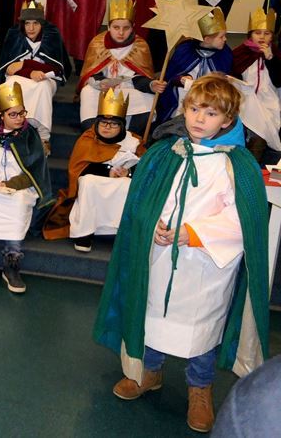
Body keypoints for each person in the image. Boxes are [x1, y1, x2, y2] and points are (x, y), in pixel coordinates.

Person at [94, 75, 269, 433]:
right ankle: (150, 372)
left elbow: (243, 223)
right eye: (193, 109)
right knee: (153, 315)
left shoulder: (237, 166)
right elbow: (143, 203)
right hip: (160, 258)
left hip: (205, 266)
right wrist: (152, 224)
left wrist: (192, 233)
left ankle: (200, 389)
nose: (199, 118)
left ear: (228, 120)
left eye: (210, 112)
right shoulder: (166, 153)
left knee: (199, 331)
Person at [0, 81, 53, 293]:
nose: (20, 118)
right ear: (0, 114)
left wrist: (11, 184)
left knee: (18, 202)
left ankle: (11, 263)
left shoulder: (30, 136)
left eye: (22, 113)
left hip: (21, 187)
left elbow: (34, 170)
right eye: (13, 114)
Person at [43, 89, 145, 252]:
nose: (107, 127)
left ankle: (119, 231)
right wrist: (107, 172)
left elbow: (145, 168)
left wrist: (129, 173)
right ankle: (85, 233)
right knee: (89, 182)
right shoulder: (88, 139)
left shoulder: (133, 141)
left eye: (113, 124)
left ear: (122, 126)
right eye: (103, 123)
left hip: (121, 180)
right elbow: (78, 169)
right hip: (93, 179)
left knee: (127, 185)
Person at [77, 0, 164, 136]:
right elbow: (90, 72)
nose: (121, 32)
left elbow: (142, 76)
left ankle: (129, 135)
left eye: (126, 28)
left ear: (133, 27)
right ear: (109, 26)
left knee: (149, 99)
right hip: (103, 88)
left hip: (129, 88)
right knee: (87, 92)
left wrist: (151, 84)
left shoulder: (140, 46)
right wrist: (100, 82)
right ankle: (94, 135)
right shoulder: (98, 43)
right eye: (116, 27)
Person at [0, 0, 71, 133]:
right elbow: (8, 69)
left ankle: (43, 134)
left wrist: (24, 64)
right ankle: (10, 128)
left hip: (45, 79)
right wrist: (30, 72)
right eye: (27, 23)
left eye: (36, 23)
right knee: (11, 85)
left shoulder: (52, 36)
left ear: (42, 24)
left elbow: (56, 68)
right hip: (19, 77)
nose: (31, 28)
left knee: (42, 86)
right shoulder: (14, 35)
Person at [156, 8, 233, 124]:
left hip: (211, 96)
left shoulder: (225, 53)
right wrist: (180, 79)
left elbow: (226, 78)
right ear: (206, 39)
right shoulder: (185, 50)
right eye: (221, 37)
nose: (225, 39)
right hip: (183, 93)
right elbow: (170, 76)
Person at [231, 7, 281, 162]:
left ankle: (254, 165)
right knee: (246, 132)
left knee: (263, 131)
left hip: (268, 101)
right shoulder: (240, 53)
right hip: (244, 101)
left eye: (267, 33)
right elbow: (231, 76)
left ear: (272, 37)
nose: (262, 37)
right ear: (250, 35)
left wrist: (270, 58)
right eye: (257, 33)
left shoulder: (276, 53)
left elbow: (278, 81)